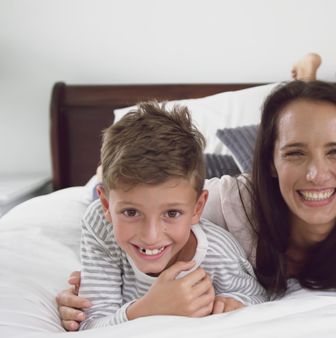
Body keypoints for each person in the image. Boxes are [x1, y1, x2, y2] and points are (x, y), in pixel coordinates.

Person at [57, 54, 336, 331]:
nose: (316, 173)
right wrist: (82, 293)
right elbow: (138, 200)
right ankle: (305, 82)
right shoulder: (229, 203)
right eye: (294, 152)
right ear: (269, 160)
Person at [77, 101, 267, 329]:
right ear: (106, 205)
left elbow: (259, 300)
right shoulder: (100, 224)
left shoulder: (219, 254)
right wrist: (148, 309)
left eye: (172, 213)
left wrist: (233, 305)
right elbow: (91, 325)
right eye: (131, 212)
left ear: (197, 208)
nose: (151, 236)